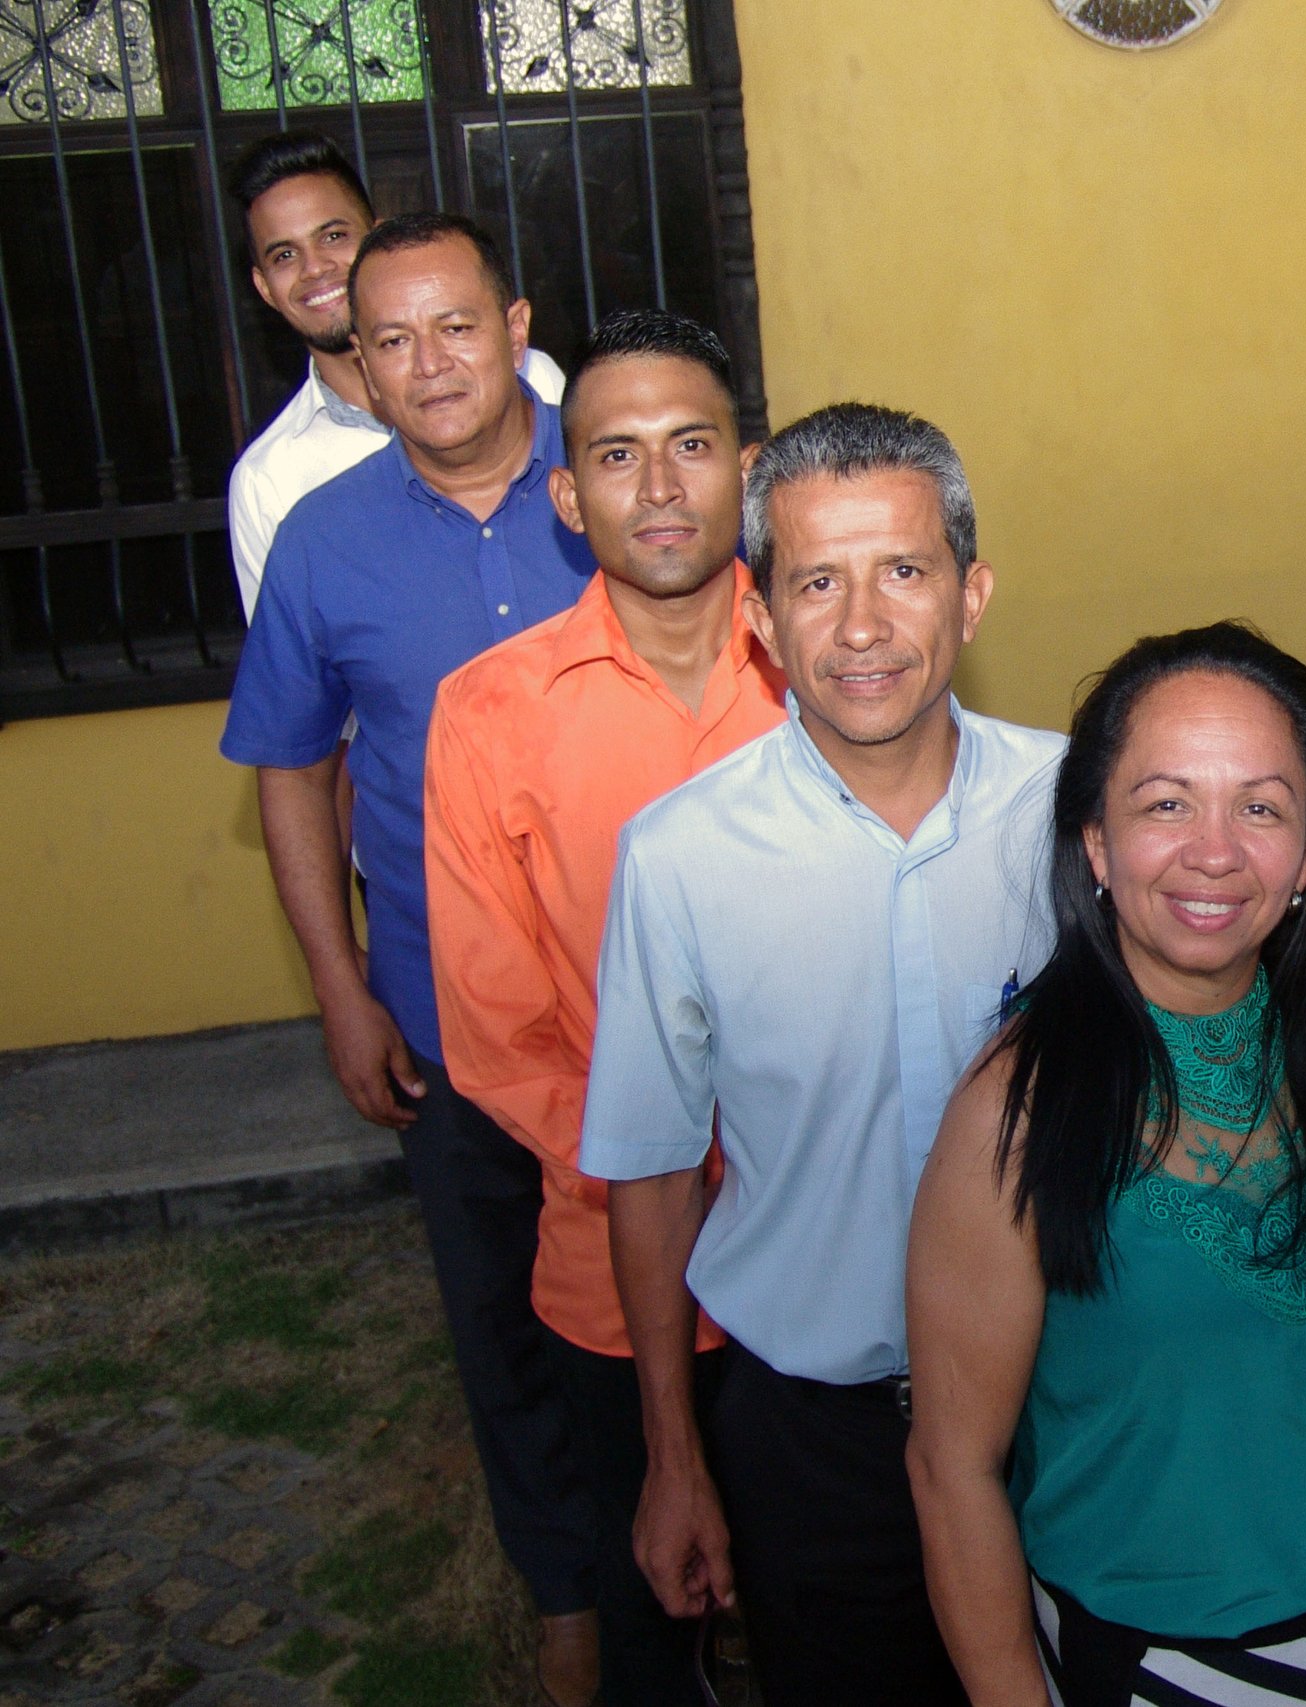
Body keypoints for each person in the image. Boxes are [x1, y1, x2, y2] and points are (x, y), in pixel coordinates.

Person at [906, 621, 1306, 1707]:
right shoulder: (1017, 1108)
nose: (1216, 851)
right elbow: (952, 1470)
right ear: (1094, 841)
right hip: (1163, 1657)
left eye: (1262, 807)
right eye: (1167, 802)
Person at [579, 403, 1063, 1706]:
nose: (861, 627)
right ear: (760, 616)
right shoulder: (679, 858)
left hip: (1066, 1403)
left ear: (970, 595)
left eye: (902, 570)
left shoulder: (1078, 818)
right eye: (815, 581)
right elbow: (651, 1169)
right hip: (813, 1436)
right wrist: (672, 1454)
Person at [220, 211, 602, 1703]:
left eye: (456, 326)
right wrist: (340, 983)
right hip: (458, 1019)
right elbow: (291, 768)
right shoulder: (324, 539)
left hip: (679, 1001)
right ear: (356, 369)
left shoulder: (634, 466)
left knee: (725, 1307)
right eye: (391, 340)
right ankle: (565, 1585)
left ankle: (723, 1551)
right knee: (505, 1321)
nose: (428, 364)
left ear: (517, 327)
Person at [424, 309, 786, 1703]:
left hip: (842, 1254)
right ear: (564, 496)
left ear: (744, 471)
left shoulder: (837, 674)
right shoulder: (493, 712)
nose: (656, 488)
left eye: (691, 446)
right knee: (657, 1617)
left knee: (849, 1602)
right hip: (610, 1260)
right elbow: (497, 1029)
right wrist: (663, 1171)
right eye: (615, 455)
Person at [225, 129, 565, 620]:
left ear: (378, 237)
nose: (315, 268)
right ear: (263, 286)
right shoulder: (270, 480)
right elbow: (299, 669)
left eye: (334, 236)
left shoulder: (533, 379)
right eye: (284, 255)